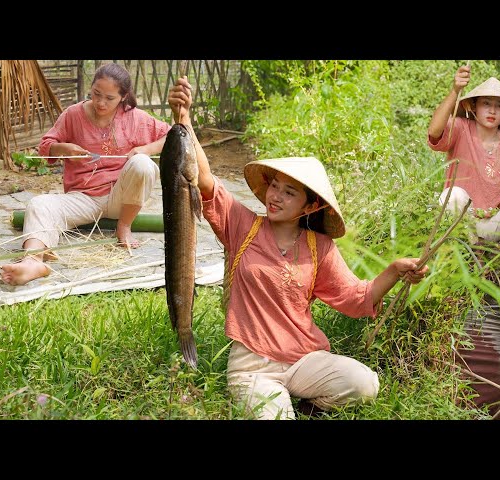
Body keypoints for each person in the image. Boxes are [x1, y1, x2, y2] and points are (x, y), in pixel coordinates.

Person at [168, 77, 430, 420]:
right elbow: (203, 181)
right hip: (252, 365)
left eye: (289, 192)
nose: (275, 196)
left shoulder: (319, 246)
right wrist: (184, 119)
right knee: (274, 417)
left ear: (309, 207)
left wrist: (395, 269)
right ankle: (280, 402)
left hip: (304, 357)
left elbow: (356, 298)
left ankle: (308, 400)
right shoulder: (242, 225)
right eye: (274, 187)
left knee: (365, 384)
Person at [1, 63, 171, 286]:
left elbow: (173, 135)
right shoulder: (73, 114)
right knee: (39, 204)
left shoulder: (135, 118)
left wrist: (146, 149)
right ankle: (33, 262)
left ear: (123, 97)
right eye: (96, 94)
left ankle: (124, 226)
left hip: (122, 198)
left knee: (143, 164)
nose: (101, 102)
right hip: (82, 198)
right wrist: (64, 149)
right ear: (91, 88)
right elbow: (46, 146)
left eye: (109, 98)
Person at [427, 64, 500, 244]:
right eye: (486, 104)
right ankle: (471, 248)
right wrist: (455, 90)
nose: (492, 111)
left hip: (494, 222)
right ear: (473, 106)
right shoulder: (460, 128)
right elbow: (435, 131)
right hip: (460, 222)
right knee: (452, 195)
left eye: (499, 106)